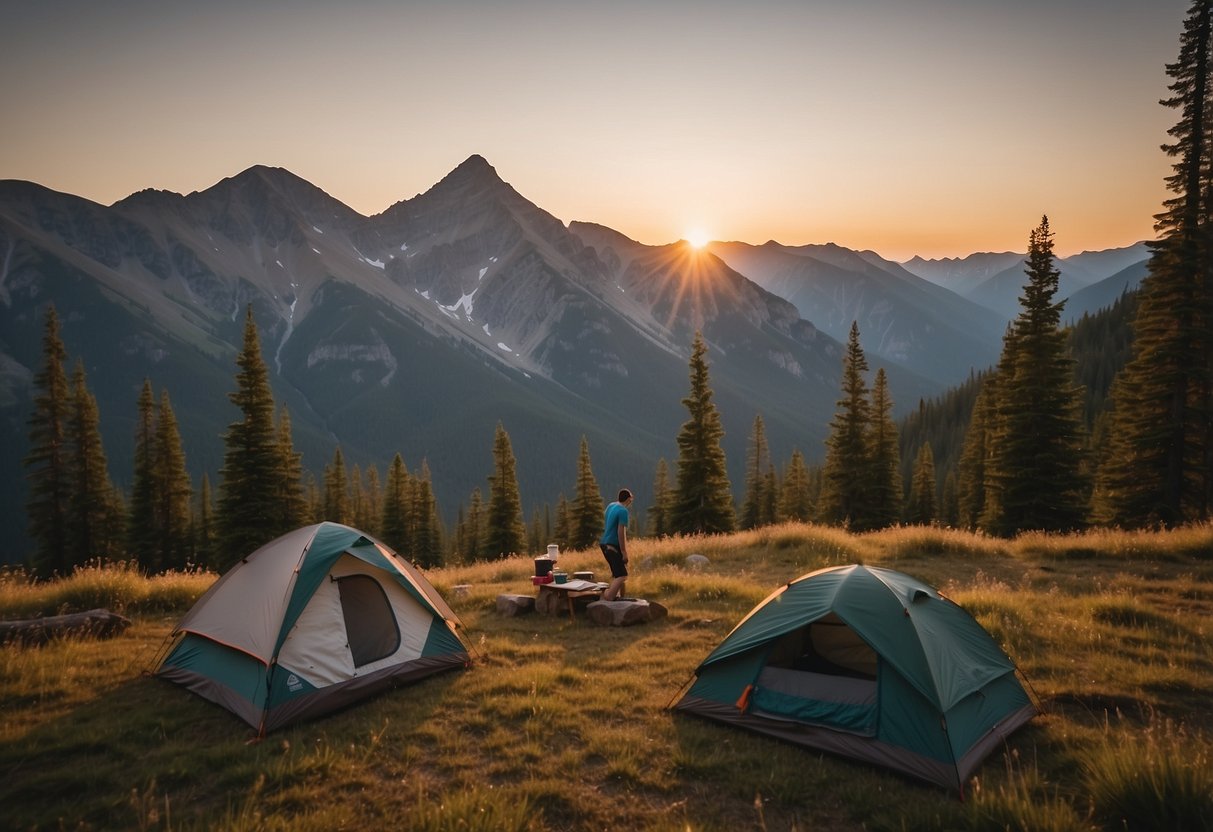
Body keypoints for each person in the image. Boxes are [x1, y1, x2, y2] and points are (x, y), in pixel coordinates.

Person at [599, 488, 634, 602]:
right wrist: (624, 552)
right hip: (612, 546)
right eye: (630, 501)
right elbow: (621, 532)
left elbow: (607, 519)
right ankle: (608, 596)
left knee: (618, 572)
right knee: (622, 576)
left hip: (604, 544)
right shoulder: (623, 511)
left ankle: (620, 597)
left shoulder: (611, 506)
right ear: (628, 499)